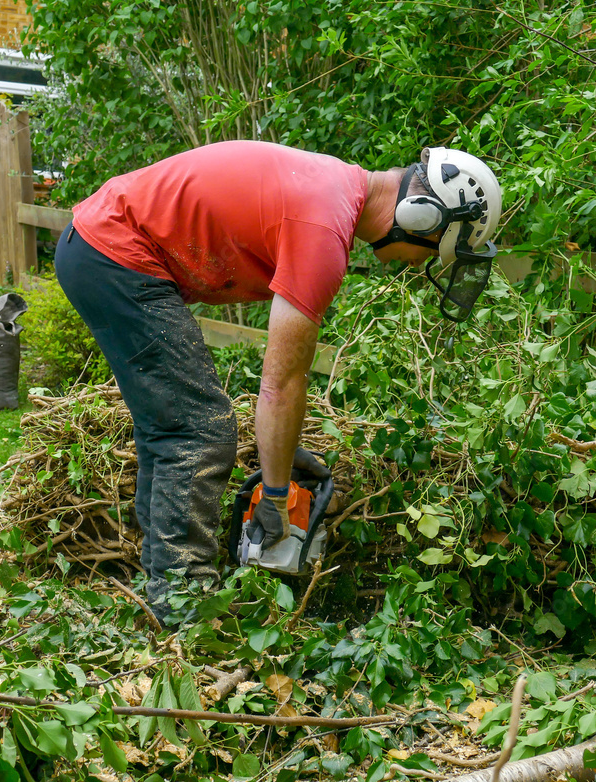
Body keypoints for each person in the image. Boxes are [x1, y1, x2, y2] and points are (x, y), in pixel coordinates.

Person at [53, 140, 502, 624]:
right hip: (114, 251)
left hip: (99, 246)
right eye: (433, 251)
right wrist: (274, 495)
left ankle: (161, 589)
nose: (418, 264)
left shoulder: (335, 193)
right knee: (200, 430)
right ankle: (185, 609)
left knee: (171, 428)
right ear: (421, 217)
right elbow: (281, 384)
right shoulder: (323, 229)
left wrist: (279, 468)